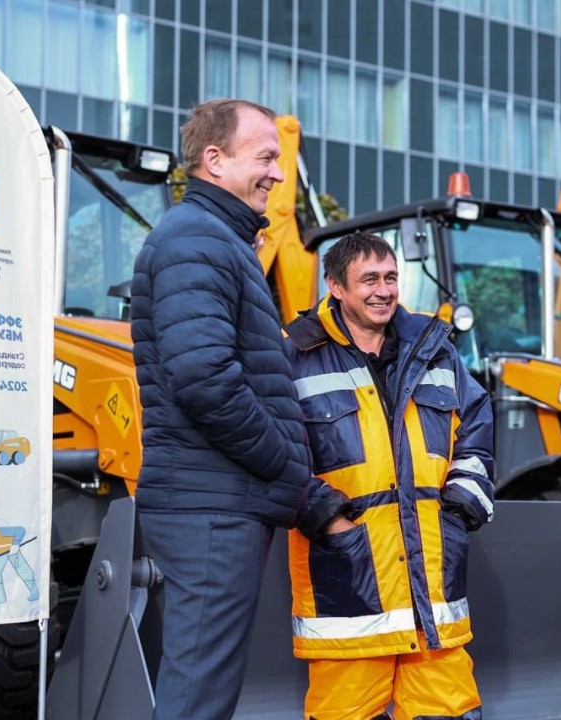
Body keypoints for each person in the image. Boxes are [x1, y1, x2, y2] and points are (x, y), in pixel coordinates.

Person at [130, 99, 348, 720]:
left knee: (203, 686)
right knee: (198, 695)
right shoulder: (197, 239)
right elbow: (205, 380)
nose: (278, 174)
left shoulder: (217, 241)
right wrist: (292, 476)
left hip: (219, 499)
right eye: (267, 157)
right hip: (212, 507)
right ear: (214, 159)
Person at [283, 231, 494, 720]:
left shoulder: (433, 346)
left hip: (433, 593)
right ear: (335, 286)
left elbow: (477, 421)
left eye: (392, 277)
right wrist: (325, 516)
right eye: (369, 279)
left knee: (449, 711)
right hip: (348, 587)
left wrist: (461, 503)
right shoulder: (293, 355)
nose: (384, 290)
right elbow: (276, 451)